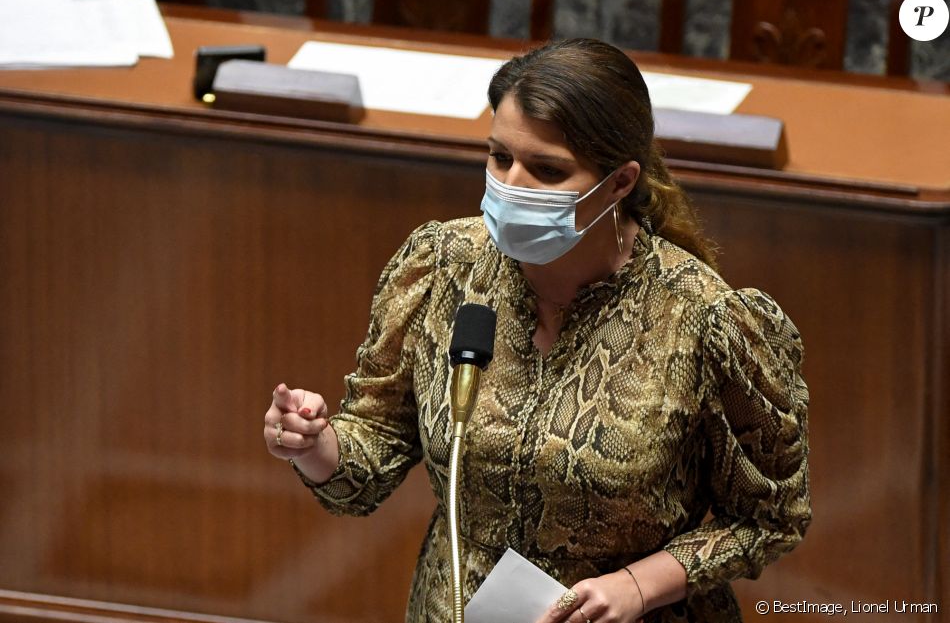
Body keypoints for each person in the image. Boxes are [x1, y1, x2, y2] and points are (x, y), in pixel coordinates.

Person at [263, 38, 811, 623]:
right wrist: (314, 446)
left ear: (621, 182)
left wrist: (639, 585)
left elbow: (769, 518)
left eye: (547, 170)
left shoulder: (707, 321)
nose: (513, 184)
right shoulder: (442, 267)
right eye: (500, 158)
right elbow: (371, 453)